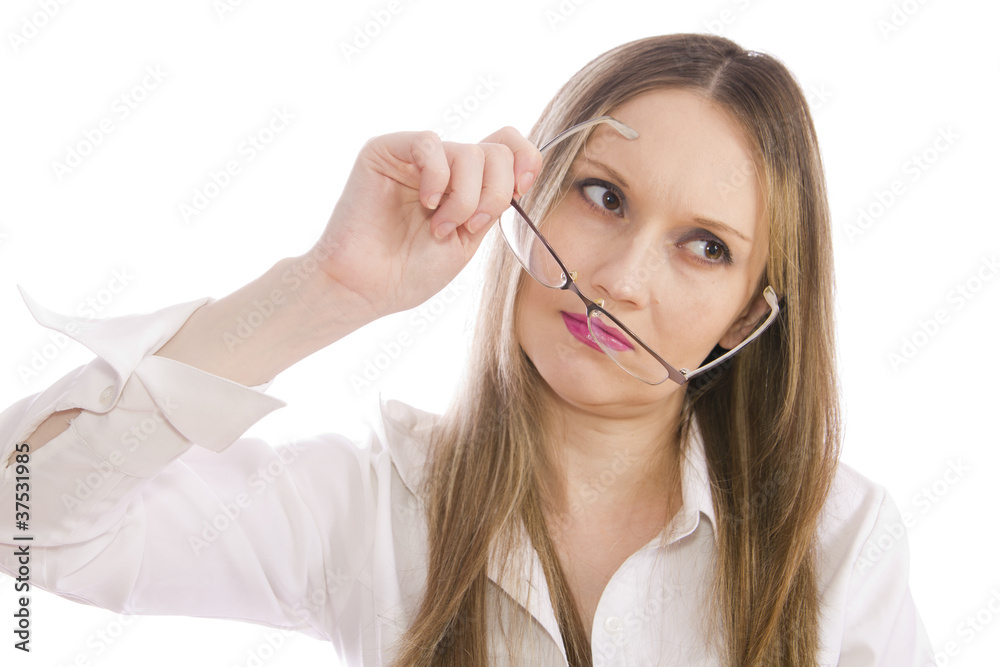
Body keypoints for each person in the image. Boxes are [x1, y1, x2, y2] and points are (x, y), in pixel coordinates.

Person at [0, 33, 933, 666]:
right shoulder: (369, 512)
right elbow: (24, 516)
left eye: (705, 247)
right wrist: (325, 288)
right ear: (534, 191)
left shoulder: (839, 542)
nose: (621, 279)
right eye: (605, 196)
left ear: (745, 318)